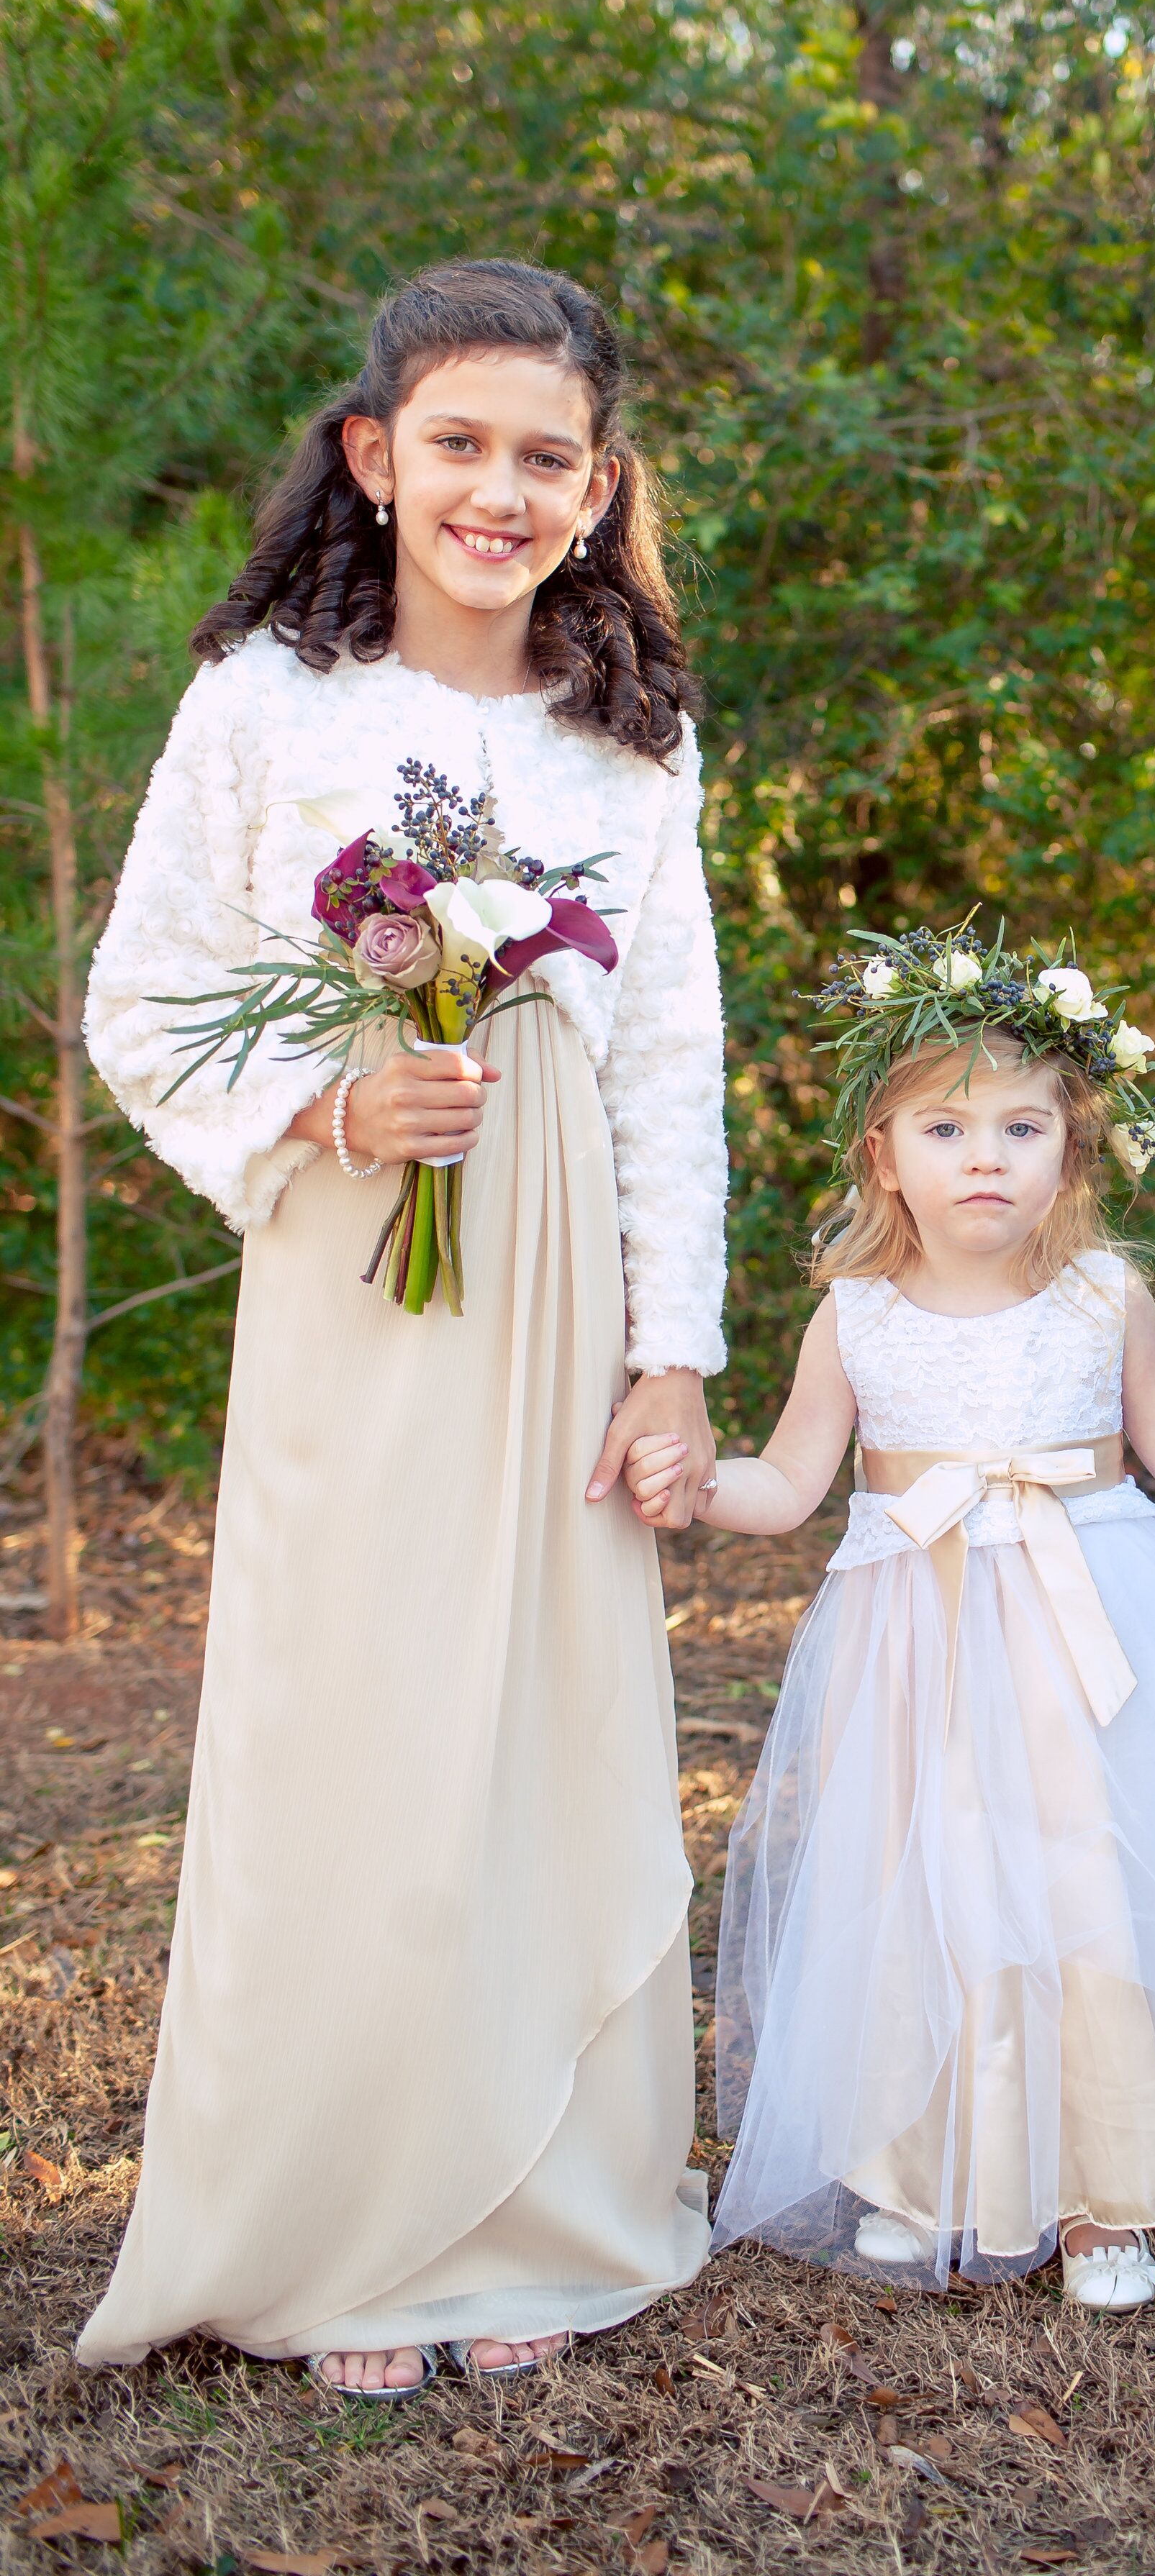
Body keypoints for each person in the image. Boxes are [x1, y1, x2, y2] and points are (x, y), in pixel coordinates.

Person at [78, 260, 725, 2395]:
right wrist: (327, 1100)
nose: (498, 488)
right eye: (458, 443)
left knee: (540, 1710)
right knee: (353, 1706)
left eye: (546, 457)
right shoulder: (268, 700)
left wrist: (673, 1352)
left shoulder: (632, 740)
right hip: (357, 1247)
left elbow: (666, 1064)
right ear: (373, 456)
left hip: (555, 1285)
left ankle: (533, 2204)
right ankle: (348, 2224)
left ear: (595, 486)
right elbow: (146, 999)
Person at [622, 931, 1155, 2309]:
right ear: (886, 1155)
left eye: (1020, 1125)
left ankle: (1100, 2190)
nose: (984, 1156)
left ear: (1073, 1148)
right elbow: (791, 1482)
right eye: (946, 1127)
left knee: (1079, 1883)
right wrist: (695, 1484)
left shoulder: (1102, 1297)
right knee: (921, 1886)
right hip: (918, 1646)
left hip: (1086, 1627)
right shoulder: (857, 1314)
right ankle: (915, 2165)